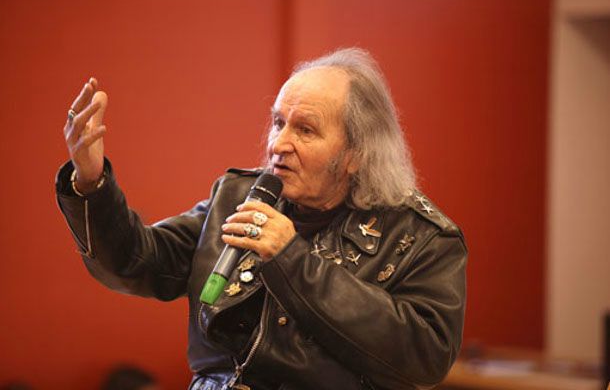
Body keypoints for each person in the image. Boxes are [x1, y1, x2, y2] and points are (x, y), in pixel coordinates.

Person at [56, 48, 467, 390]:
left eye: (305, 130)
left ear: (357, 154)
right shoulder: (237, 196)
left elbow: (424, 358)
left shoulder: (422, 237)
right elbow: (136, 263)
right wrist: (91, 183)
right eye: (277, 122)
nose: (279, 144)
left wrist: (291, 258)